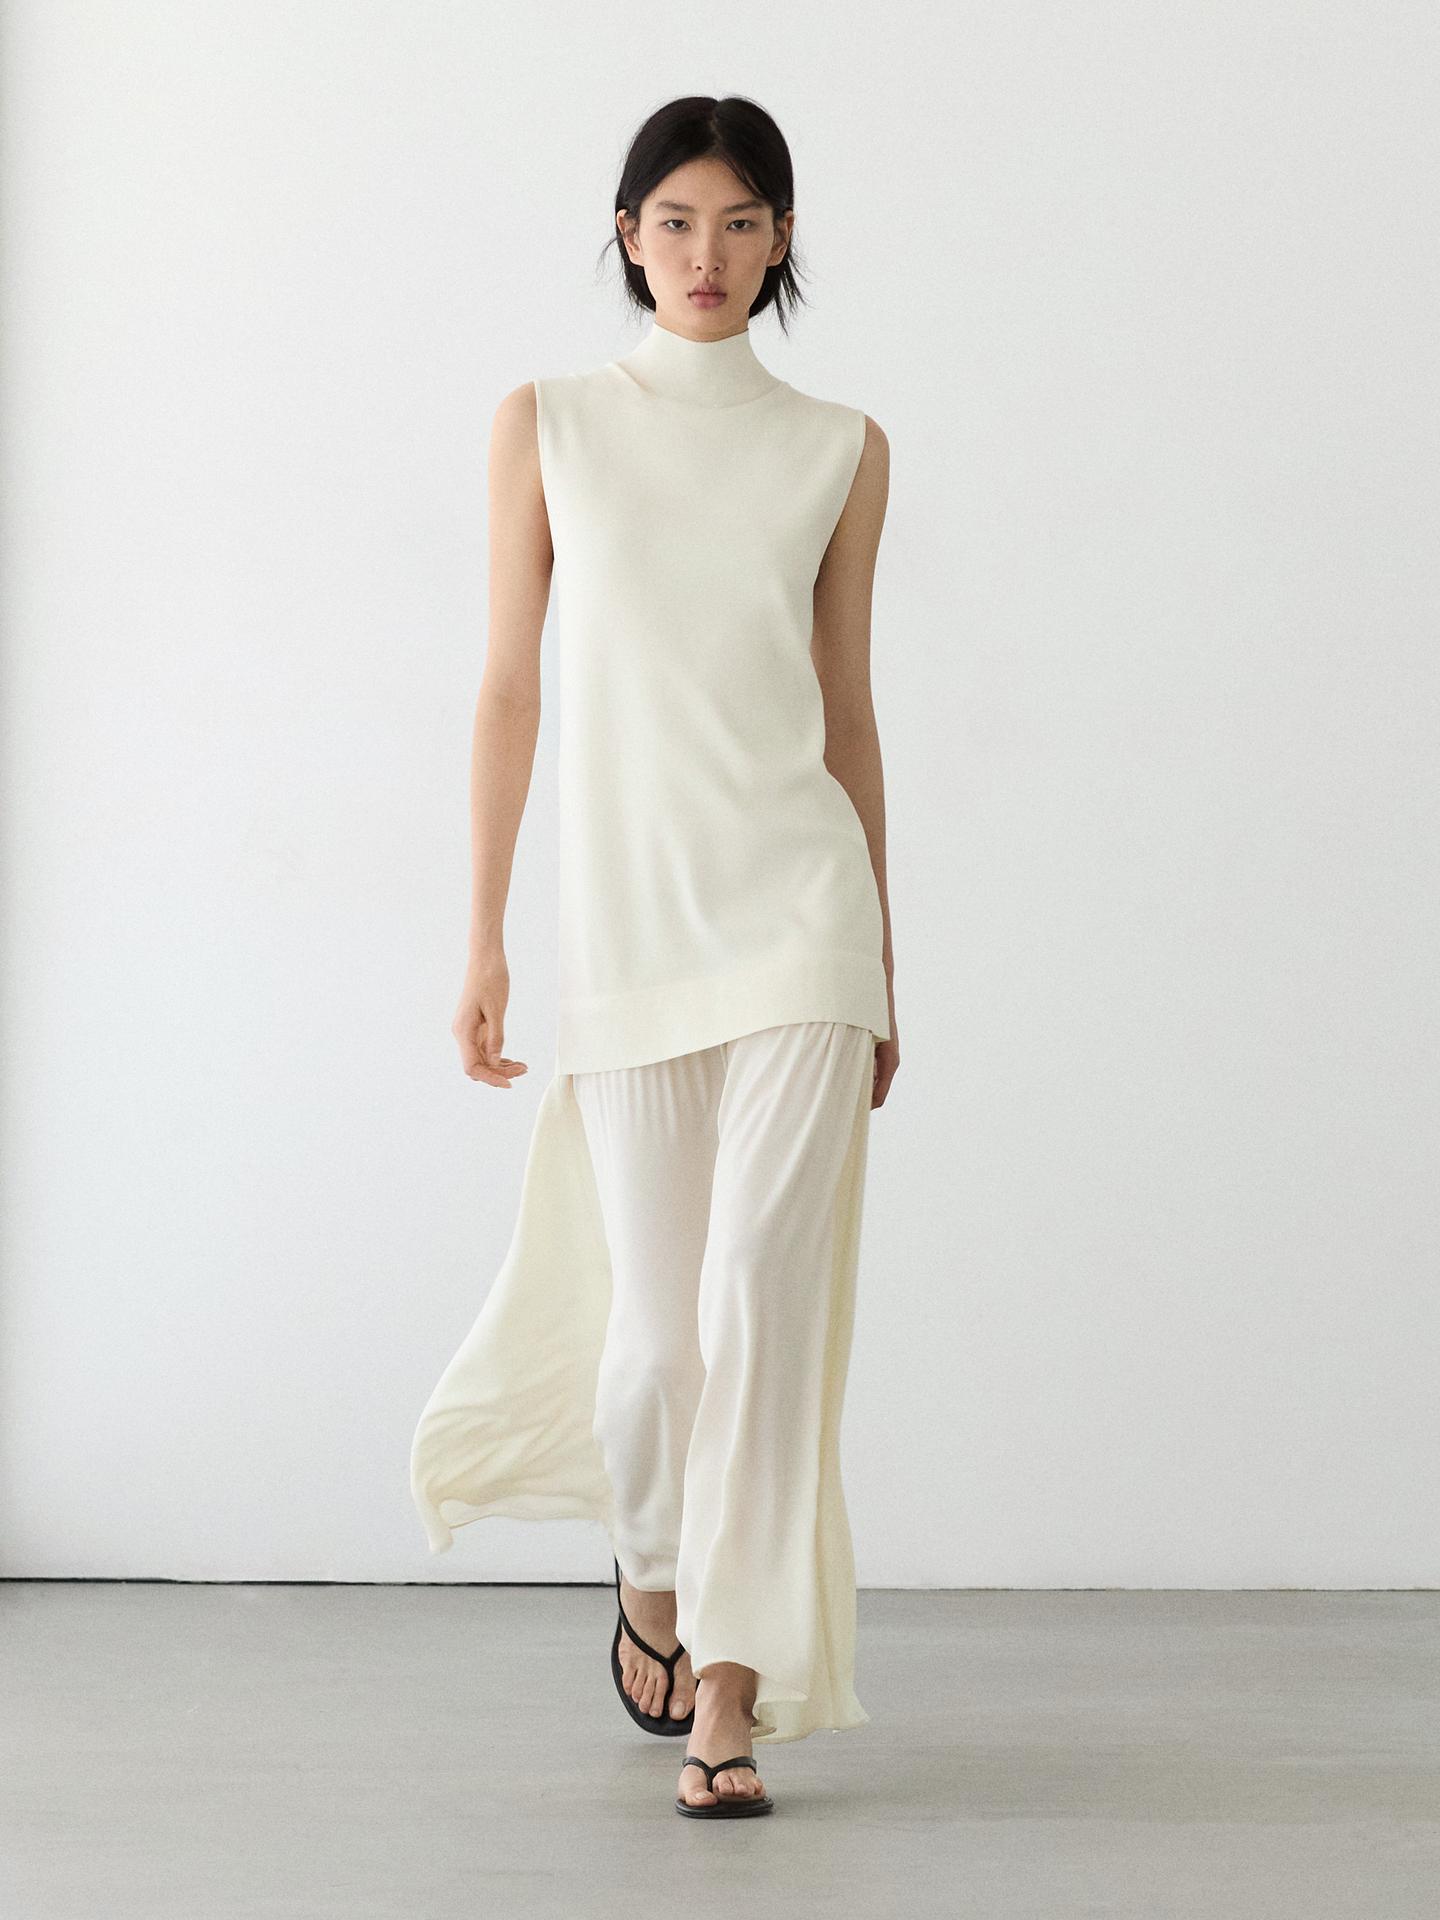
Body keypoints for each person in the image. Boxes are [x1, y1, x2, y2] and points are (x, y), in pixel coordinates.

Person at [409, 94, 899, 1820]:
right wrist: (482, 934)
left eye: (742, 221)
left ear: (782, 242)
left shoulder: (842, 447)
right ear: (628, 235)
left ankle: (730, 1703)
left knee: (762, 1299)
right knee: (655, 1354)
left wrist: (885, 955)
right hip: (628, 929)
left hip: (802, 922)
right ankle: (651, 1569)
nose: (708, 254)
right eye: (676, 220)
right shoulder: (547, 424)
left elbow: (847, 713)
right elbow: (508, 687)